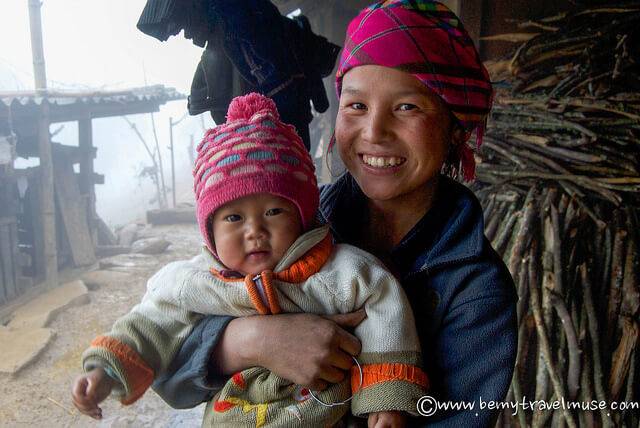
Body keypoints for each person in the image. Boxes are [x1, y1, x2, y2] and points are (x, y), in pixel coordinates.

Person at [152, 1, 518, 427]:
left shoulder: (473, 290)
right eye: (357, 106)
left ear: (455, 127)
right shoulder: (287, 224)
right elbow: (168, 371)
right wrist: (249, 341)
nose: (374, 131)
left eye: (407, 107)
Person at [71, 93, 429, 428]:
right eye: (233, 218)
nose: (254, 231)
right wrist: (104, 370)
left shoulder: (342, 271)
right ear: (209, 230)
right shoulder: (192, 282)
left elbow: (386, 316)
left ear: (302, 216)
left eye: (274, 211)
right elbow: (149, 325)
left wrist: (385, 397)